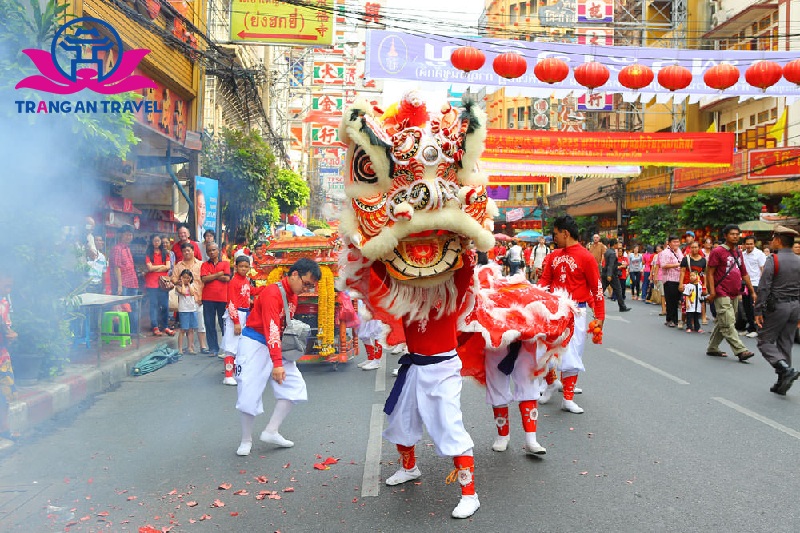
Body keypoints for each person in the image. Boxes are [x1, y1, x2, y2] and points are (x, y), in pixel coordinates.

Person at [234, 258, 321, 456]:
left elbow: (279, 329)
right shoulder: (272, 293)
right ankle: (245, 439)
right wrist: (278, 364)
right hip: (254, 343)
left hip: (274, 344)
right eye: (306, 284)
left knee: (295, 386)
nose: (306, 289)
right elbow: (271, 328)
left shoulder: (294, 295)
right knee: (248, 391)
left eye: (310, 286)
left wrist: (280, 359)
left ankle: (271, 430)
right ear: (294, 274)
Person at [538, 215, 606, 414]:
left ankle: (568, 399)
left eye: (556, 233)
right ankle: (550, 383)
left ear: (565, 233)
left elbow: (597, 289)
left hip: (577, 312)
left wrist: (600, 316)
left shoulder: (586, 257)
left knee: (573, 354)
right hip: (554, 311)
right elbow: (544, 282)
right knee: (545, 351)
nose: (554, 238)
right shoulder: (553, 255)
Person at [755, 226, 800, 395]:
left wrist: (758, 310)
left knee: (764, 341)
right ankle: (783, 381)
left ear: (779, 240)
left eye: (773, 239)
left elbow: (764, 287)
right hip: (795, 305)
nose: (772, 242)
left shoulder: (773, 259)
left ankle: (784, 369)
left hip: (778, 306)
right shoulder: (799, 260)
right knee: (785, 342)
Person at [485, 340, 547, 455]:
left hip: (525, 331)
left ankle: (531, 438)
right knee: (496, 381)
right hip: (494, 331)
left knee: (528, 379)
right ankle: (502, 435)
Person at [705, 224, 756, 362]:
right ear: (726, 236)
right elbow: (710, 273)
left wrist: (752, 291)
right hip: (721, 291)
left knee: (724, 320)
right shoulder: (718, 251)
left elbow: (744, 273)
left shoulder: (739, 252)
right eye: (732, 234)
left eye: (737, 234)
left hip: (734, 292)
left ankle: (712, 347)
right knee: (728, 322)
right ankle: (741, 350)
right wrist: (712, 291)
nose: (735, 236)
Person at [172, 242, 209, 353]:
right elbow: (173, 279)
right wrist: (181, 282)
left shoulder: (201, 264)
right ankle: (190, 346)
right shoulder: (178, 266)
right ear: (182, 253)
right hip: (185, 300)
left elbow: (205, 280)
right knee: (187, 326)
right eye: (184, 251)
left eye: (189, 250)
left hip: (199, 298)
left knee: (200, 324)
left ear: (193, 251)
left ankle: (203, 346)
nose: (186, 252)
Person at [222, 255, 253, 383]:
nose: (243, 269)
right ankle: (228, 375)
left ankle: (236, 372)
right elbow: (231, 303)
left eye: (246, 266)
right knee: (231, 345)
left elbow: (249, 292)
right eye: (241, 266)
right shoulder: (233, 281)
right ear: (236, 267)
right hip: (235, 314)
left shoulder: (246, 280)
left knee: (240, 345)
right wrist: (236, 322)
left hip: (244, 314)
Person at [201, 242, 231, 356]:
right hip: (208, 298)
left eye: (214, 250)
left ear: (218, 251)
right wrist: (218, 274)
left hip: (222, 298)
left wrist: (211, 276)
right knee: (209, 323)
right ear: (207, 253)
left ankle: (226, 348)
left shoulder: (225, 263)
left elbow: (227, 278)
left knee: (224, 324)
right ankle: (213, 348)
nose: (212, 252)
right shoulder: (204, 265)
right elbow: (204, 279)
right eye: (209, 250)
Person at [111, 225, 140, 336]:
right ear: (120, 235)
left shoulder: (127, 248)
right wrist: (119, 285)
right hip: (123, 284)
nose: (129, 236)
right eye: (127, 234)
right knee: (123, 308)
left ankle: (133, 332)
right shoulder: (117, 249)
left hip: (132, 283)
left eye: (131, 234)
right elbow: (116, 267)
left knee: (134, 308)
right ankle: (123, 332)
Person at [144, 235, 174, 336]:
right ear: (152, 242)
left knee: (165, 306)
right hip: (151, 283)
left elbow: (168, 267)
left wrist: (155, 267)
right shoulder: (148, 253)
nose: (157, 242)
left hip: (163, 283)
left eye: (158, 241)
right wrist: (162, 266)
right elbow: (149, 268)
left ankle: (165, 326)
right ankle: (155, 326)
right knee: (154, 305)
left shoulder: (165, 253)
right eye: (155, 240)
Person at [741, 236, 766, 338]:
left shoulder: (760, 254)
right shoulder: (743, 254)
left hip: (756, 284)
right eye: (747, 244)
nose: (749, 246)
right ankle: (750, 327)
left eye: (751, 244)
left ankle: (757, 328)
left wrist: (762, 284)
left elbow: (763, 269)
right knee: (746, 306)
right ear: (744, 244)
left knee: (754, 307)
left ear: (754, 244)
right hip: (744, 284)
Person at [678, 242, 707, 330]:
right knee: (685, 303)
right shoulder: (685, 259)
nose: (694, 249)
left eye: (696, 247)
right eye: (692, 247)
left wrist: (705, 286)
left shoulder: (703, 260)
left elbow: (704, 274)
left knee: (697, 303)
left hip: (698, 286)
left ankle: (694, 323)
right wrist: (680, 284)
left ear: (699, 248)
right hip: (687, 284)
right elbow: (682, 272)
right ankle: (682, 320)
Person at [658, 235, 683, 328]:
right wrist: (677, 264)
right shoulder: (665, 252)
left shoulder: (679, 251)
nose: (676, 244)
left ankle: (672, 318)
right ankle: (672, 319)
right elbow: (663, 265)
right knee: (670, 300)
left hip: (678, 279)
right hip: (669, 279)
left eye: (677, 242)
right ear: (669, 243)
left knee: (676, 300)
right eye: (674, 242)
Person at [0, 271, 17, 405]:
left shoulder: (5, 303)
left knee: (6, 398)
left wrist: (10, 334)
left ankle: (5, 426)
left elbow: (6, 327)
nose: (8, 289)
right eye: (6, 286)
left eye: (10, 286)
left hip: (2, 355)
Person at [175, 269, 201, 354]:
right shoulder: (178, 287)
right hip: (183, 310)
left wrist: (189, 283)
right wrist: (182, 283)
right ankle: (180, 349)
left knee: (191, 330)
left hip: (192, 309)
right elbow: (182, 292)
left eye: (187, 278)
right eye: (184, 277)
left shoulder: (192, 285)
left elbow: (192, 293)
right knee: (183, 330)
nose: (186, 279)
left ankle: (190, 347)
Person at [601, 239, 630, 312]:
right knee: (618, 290)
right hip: (612, 274)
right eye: (617, 244)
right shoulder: (613, 253)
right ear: (614, 244)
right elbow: (611, 265)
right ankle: (622, 307)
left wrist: (620, 264)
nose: (618, 245)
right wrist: (609, 275)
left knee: (601, 290)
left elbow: (611, 263)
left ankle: (594, 304)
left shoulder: (607, 251)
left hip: (605, 273)